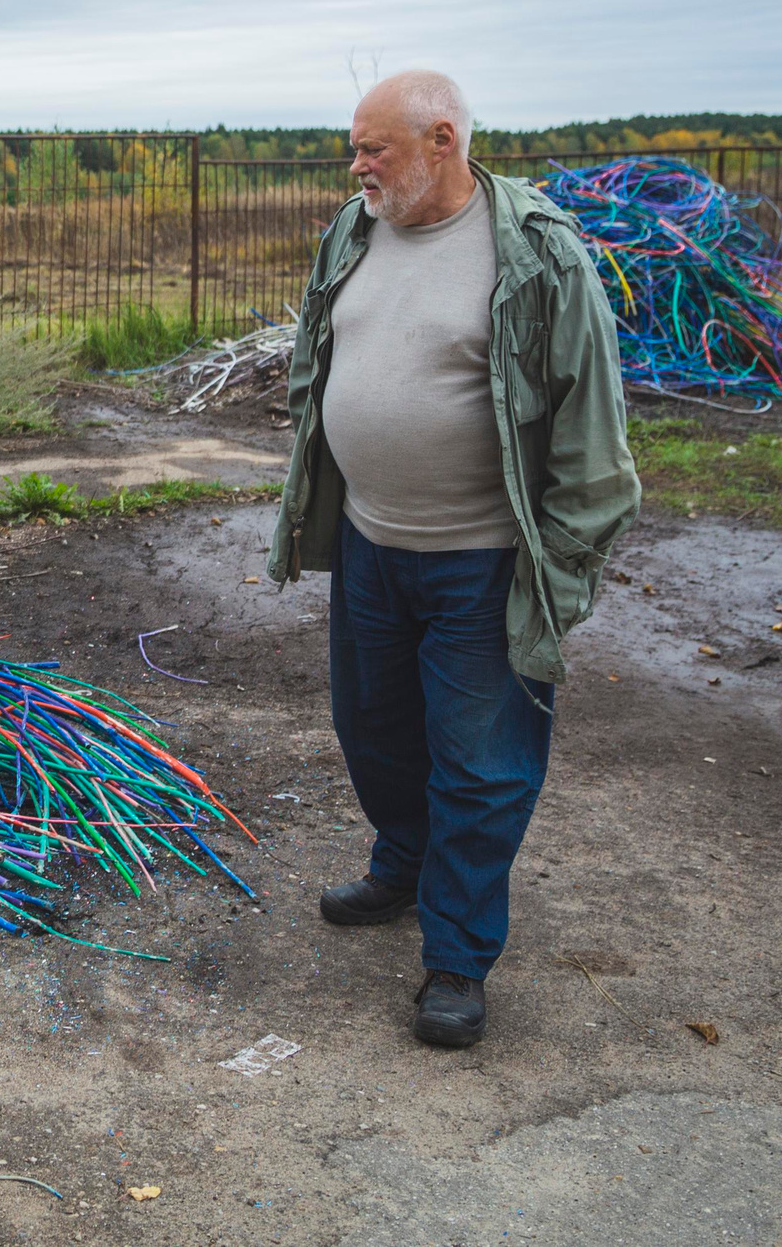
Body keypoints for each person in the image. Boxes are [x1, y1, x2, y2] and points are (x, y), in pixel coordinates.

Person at [267, 70, 639, 1048]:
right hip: (371, 548)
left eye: (372, 148)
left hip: (482, 563)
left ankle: (457, 959)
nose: (356, 167)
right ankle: (401, 867)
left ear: (441, 139)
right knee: (373, 728)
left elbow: (592, 437)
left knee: (479, 765)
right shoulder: (354, 229)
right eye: (353, 147)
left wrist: (558, 576)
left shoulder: (535, 252)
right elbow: (323, 365)